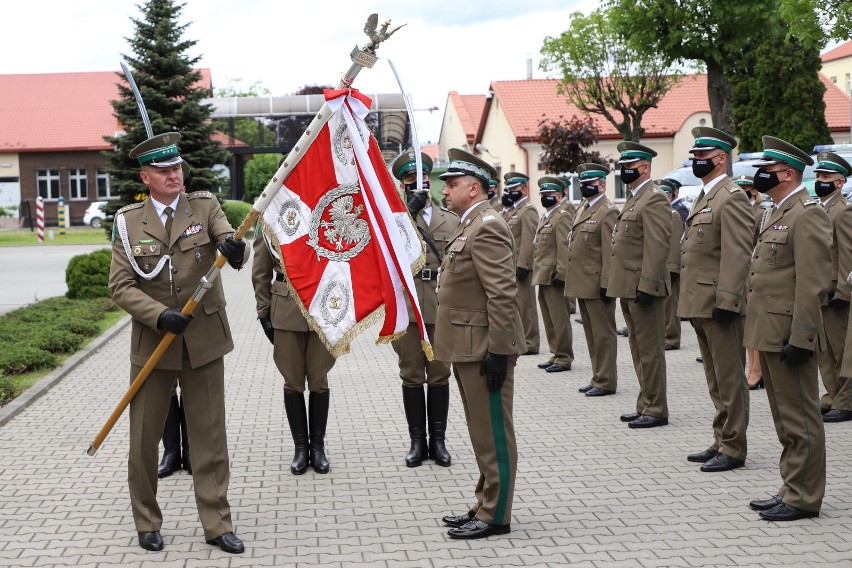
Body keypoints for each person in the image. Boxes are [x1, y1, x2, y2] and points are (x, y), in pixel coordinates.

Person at [109, 132, 247, 553]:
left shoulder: (203, 206)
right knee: (143, 439)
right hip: (153, 342)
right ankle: (147, 521)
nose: (175, 175)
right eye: (165, 171)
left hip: (203, 341)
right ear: (146, 176)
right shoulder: (128, 221)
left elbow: (227, 237)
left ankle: (217, 523)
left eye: (178, 168)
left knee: (209, 437)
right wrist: (158, 315)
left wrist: (234, 248)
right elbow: (120, 286)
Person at [436, 148, 524, 539]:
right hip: (468, 345)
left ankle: (496, 515)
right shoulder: (468, 223)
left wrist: (499, 350)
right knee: (480, 431)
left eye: (452, 185)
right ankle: (485, 501)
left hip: (485, 348)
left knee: (493, 433)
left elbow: (503, 294)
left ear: (474, 188)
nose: (445, 191)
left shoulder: (487, 225)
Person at [744, 136, 830, 521]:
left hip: (789, 333)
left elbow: (813, 283)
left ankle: (805, 497)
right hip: (769, 329)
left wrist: (802, 337)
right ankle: (790, 487)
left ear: (788, 173)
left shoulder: (806, 213)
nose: (759, 175)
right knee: (784, 418)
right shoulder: (774, 210)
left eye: (767, 170)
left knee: (800, 418)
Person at [678, 127, 754, 472]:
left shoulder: (732, 196)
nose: (695, 162)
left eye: (701, 157)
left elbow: (738, 255)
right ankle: (721, 437)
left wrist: (727, 300)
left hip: (718, 304)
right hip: (700, 301)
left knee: (729, 376)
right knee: (714, 375)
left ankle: (734, 446)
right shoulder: (706, 195)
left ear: (721, 159)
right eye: (694, 157)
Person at [389, 149, 458, 466]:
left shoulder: (450, 220)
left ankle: (439, 442)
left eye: (422, 180)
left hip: (441, 306)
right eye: (409, 180)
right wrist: (405, 214)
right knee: (412, 375)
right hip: (408, 306)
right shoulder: (393, 221)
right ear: (402, 185)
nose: (418, 185)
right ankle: (417, 442)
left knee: (440, 375)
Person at [252, 229, 336, 475]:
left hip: (324, 306)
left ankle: (317, 448)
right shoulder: (273, 216)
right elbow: (260, 272)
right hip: (286, 308)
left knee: (319, 379)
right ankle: (301, 448)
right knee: (293, 381)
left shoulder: (327, 210)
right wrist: (263, 312)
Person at [607, 141, 671, 429]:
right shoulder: (635, 197)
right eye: (622, 167)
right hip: (628, 286)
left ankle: (656, 407)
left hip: (644, 288)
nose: (624, 172)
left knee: (650, 350)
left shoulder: (654, 198)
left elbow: (657, 247)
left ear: (644, 167)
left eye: (629, 167)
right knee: (637, 348)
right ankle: (645, 402)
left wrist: (648, 284)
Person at [566, 163, 619, 397]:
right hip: (583, 282)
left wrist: (608, 282)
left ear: (603, 185)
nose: (585, 187)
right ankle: (598, 376)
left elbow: (610, 250)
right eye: (582, 184)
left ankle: (606, 380)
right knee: (591, 333)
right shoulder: (584, 208)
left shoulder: (607, 211)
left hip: (598, 282)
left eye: (590, 183)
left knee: (603, 334)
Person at [811, 152, 852, 422]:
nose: (819, 180)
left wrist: (843, 292)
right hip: (820, 289)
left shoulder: (843, 210)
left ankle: (846, 401)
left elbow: (847, 254)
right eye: (818, 176)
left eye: (825, 177)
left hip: (837, 290)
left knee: (841, 350)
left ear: (839, 183)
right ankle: (832, 395)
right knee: (824, 350)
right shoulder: (820, 207)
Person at [532, 176, 573, 373]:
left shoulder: (562, 216)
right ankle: (555, 353)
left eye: (550, 195)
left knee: (559, 318)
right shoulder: (547, 216)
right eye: (543, 194)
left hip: (554, 275)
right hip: (543, 274)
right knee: (549, 318)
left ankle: (564, 357)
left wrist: (562, 272)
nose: (546, 197)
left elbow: (564, 247)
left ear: (559, 196)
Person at [734, 174, 770, 389]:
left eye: (746, 189)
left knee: (755, 323)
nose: (743, 192)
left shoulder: (760, 212)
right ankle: (753, 368)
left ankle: (758, 370)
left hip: (754, 272)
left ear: (754, 191)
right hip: (741, 272)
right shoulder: (740, 210)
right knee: (748, 325)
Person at [503, 171, 541, 355]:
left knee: (526, 306)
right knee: (517, 305)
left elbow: (528, 239)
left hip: (520, 266)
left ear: (525, 189)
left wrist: (523, 264)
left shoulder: (528, 210)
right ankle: (521, 339)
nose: (511, 191)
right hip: (510, 265)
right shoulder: (512, 210)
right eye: (509, 188)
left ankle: (531, 342)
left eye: (515, 188)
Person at [657, 179, 685, 351]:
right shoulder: (659, 214)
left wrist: (673, 267)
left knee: (670, 305)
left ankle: (672, 338)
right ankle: (664, 334)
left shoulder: (673, 215)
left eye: (664, 196)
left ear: (669, 197)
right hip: (659, 266)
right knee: (662, 305)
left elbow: (675, 243)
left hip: (669, 267)